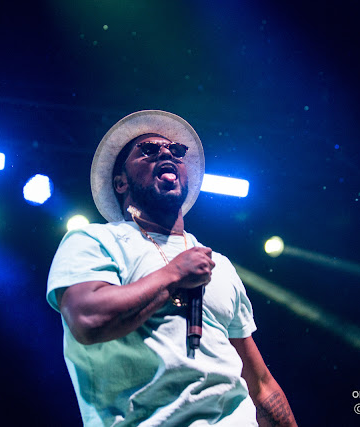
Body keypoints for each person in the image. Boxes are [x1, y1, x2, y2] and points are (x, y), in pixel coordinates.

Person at [47, 110, 297, 426]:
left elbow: (260, 385)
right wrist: (174, 274)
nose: (167, 152)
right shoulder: (96, 239)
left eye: (176, 151)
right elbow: (88, 319)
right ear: (121, 182)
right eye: (148, 150)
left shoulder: (217, 264)